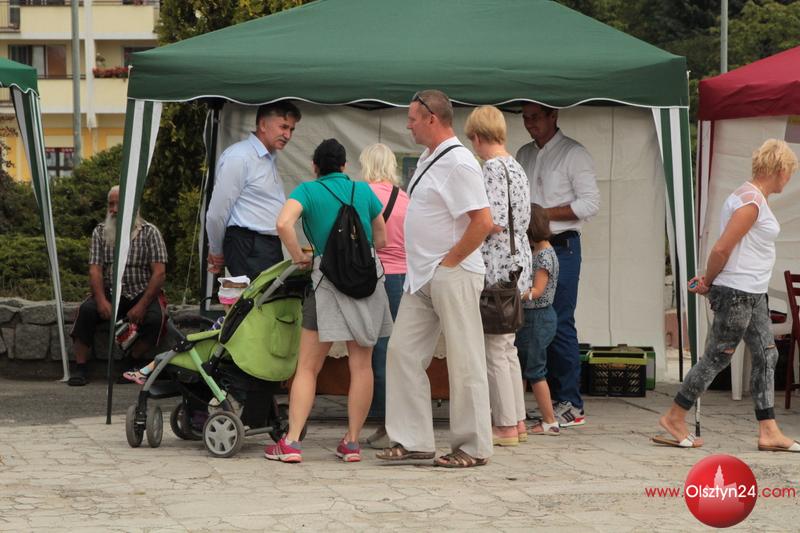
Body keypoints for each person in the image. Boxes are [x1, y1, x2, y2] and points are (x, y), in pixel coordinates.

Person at [654, 139, 800, 452]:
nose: (790, 177)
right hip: (738, 292)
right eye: (790, 170)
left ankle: (769, 430)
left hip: (752, 292)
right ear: (779, 168)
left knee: (767, 355)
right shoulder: (751, 203)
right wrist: (709, 280)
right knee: (717, 356)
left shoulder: (751, 197)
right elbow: (722, 248)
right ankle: (675, 416)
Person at [377, 89, 495, 468]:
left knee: (465, 360)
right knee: (402, 353)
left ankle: (473, 446)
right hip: (422, 276)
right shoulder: (432, 157)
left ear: (432, 118)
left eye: (412, 119)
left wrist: (451, 261)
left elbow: (483, 222)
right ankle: (413, 440)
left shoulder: (459, 162)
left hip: (450, 273)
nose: (408, 125)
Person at [265, 139, 393, 463]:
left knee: (308, 367)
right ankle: (352, 443)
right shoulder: (363, 191)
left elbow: (282, 223)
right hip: (366, 282)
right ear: (345, 166)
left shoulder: (307, 191)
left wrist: (298, 255)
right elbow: (382, 239)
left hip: (326, 283)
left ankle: (292, 442)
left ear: (315, 166)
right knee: (361, 366)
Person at [516, 102, 600, 427]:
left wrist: (541, 214)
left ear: (554, 115)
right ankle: (548, 401)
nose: (530, 124)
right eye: (525, 118)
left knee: (559, 321)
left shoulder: (573, 153)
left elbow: (590, 204)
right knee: (533, 323)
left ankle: (571, 403)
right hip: (529, 247)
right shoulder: (524, 154)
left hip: (562, 246)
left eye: (535, 117)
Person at [464, 106, 532, 447]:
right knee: (507, 348)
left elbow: (492, 221)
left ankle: (504, 425)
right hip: (518, 261)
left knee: (495, 347)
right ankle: (516, 420)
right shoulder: (516, 166)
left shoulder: (491, 168)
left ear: (478, 136)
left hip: (497, 264)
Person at [68, 185, 168, 386]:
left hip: (141, 290)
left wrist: (142, 305)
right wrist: (101, 301)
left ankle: (130, 363)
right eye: (110, 205)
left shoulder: (150, 232)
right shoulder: (100, 232)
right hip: (111, 290)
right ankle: (80, 367)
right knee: (85, 311)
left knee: (157, 320)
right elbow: (95, 270)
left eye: (118, 205)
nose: (113, 210)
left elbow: (159, 273)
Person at [205, 101, 302, 279]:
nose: (288, 135)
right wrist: (217, 250)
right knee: (255, 297)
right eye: (283, 127)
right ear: (263, 124)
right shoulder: (240, 157)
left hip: (265, 245)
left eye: (291, 129)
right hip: (248, 243)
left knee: (270, 296)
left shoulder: (268, 157)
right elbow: (217, 213)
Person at [359, 143, 410, 450]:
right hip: (403, 278)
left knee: (377, 349)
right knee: (395, 349)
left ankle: (386, 421)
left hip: (376, 275)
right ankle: (392, 423)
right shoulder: (405, 198)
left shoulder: (363, 194)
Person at [121, 275, 249, 385]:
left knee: (166, 355)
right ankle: (142, 372)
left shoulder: (223, 322)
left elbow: (207, 336)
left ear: (224, 304)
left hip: (204, 357)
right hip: (229, 359)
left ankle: (142, 373)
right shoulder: (245, 323)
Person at [516, 205, 560, 436]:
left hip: (537, 317)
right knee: (521, 368)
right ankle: (517, 418)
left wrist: (514, 295)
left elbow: (537, 291)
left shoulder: (543, 257)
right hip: (535, 317)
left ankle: (549, 421)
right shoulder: (542, 251)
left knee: (535, 371)